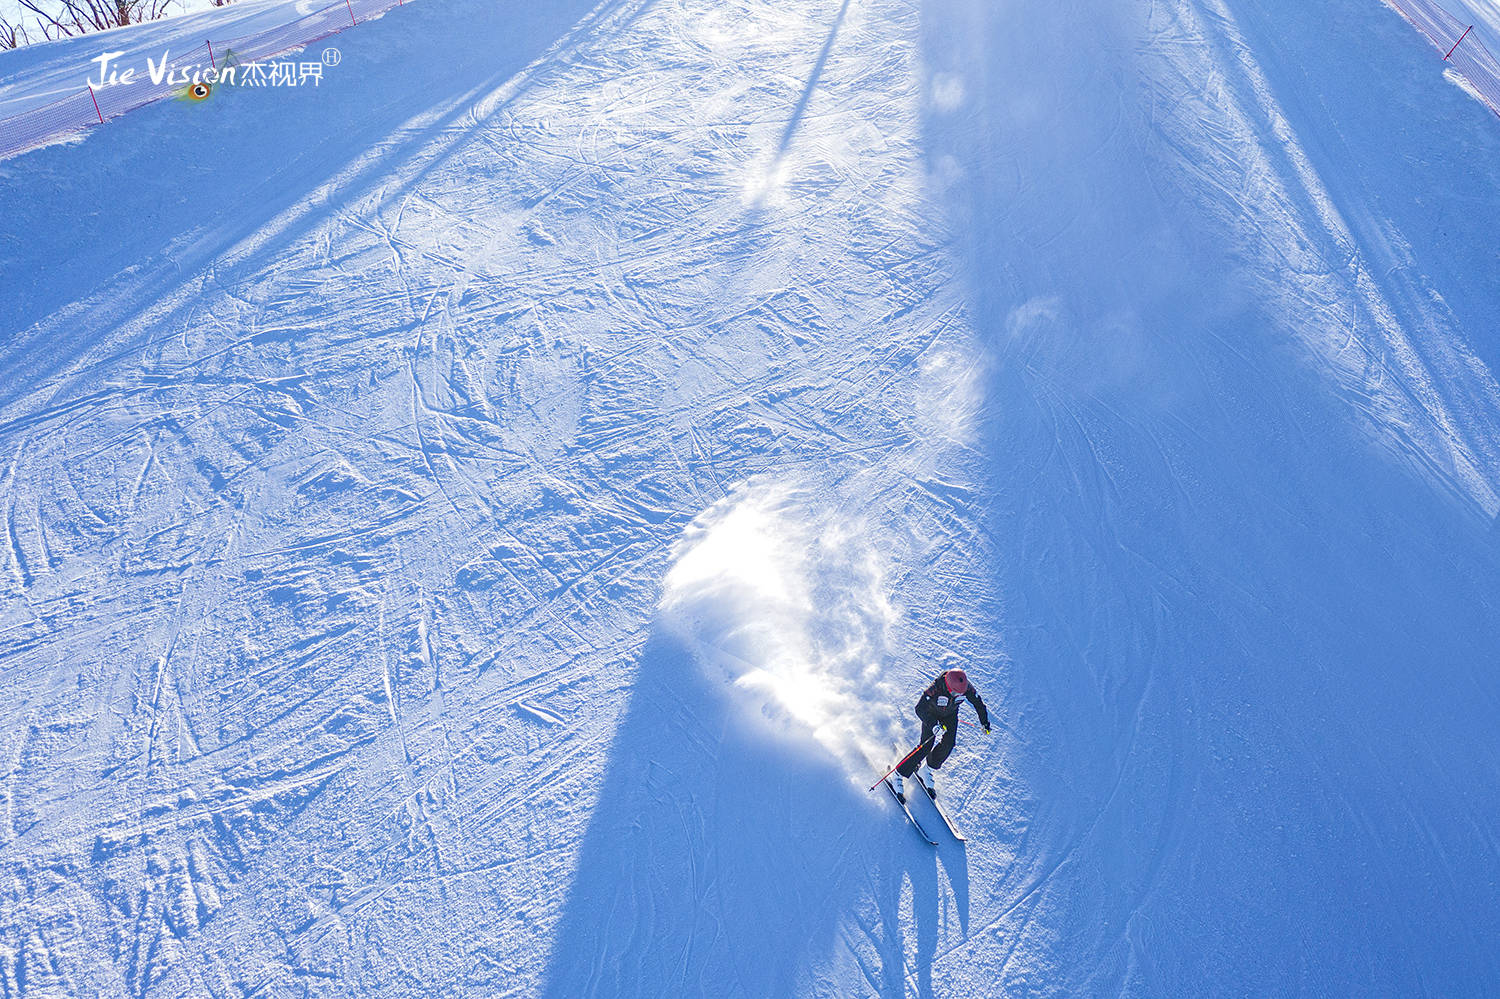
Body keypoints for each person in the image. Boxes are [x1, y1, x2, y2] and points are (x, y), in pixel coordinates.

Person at [892, 667, 990, 801]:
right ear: (949, 687)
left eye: (960, 694)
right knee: (925, 746)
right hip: (931, 715)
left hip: (950, 715)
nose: (958, 695)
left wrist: (984, 722)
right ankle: (898, 774)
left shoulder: (965, 688)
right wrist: (933, 725)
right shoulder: (935, 688)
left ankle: (927, 769)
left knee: (949, 744)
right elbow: (919, 708)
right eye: (955, 693)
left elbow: (978, 703)